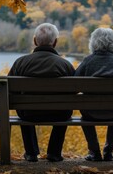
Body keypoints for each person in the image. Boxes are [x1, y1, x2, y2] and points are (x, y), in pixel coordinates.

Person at [8, 23, 75, 162]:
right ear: (55, 42)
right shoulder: (65, 65)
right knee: (66, 107)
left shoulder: (20, 63)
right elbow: (75, 91)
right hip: (59, 114)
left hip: (29, 113)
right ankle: (54, 153)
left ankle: (31, 153)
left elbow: (9, 88)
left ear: (34, 41)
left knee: (23, 105)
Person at [75, 27, 113, 161]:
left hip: (90, 113)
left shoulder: (87, 61)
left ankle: (94, 151)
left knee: (84, 114)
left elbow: (74, 85)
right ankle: (108, 151)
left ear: (93, 43)